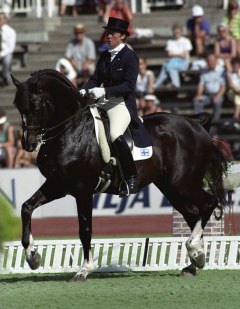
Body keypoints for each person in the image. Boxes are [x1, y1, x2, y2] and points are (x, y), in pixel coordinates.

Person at [79, 17, 139, 195]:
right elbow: (95, 79)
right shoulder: (105, 55)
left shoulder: (130, 57)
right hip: (104, 101)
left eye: (112, 33)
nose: (109, 36)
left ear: (122, 36)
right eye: (108, 33)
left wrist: (104, 92)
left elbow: (129, 86)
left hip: (122, 103)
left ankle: (131, 177)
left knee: (114, 134)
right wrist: (84, 90)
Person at [154, 23, 192, 89]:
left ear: (181, 32)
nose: (176, 34)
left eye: (178, 32)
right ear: (173, 32)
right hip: (173, 62)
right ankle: (175, 84)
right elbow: (169, 54)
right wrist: (179, 54)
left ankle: (156, 85)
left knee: (166, 66)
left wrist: (174, 54)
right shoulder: (170, 42)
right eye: (175, 32)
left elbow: (184, 56)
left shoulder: (186, 41)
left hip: (183, 62)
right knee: (169, 67)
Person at [193, 53, 226, 122]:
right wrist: (198, 95)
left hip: (218, 94)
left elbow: (223, 86)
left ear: (216, 61)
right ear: (207, 62)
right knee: (197, 101)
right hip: (207, 95)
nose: (211, 62)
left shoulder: (221, 71)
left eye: (212, 60)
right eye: (209, 61)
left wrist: (217, 96)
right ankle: (200, 123)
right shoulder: (204, 71)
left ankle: (215, 125)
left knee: (218, 101)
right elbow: (201, 85)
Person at [0, 12, 16, 87]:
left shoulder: (10, 31)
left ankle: (5, 77)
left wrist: (2, 54)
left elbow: (11, 47)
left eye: (1, 19)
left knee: (7, 60)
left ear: (5, 19)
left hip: (6, 53)